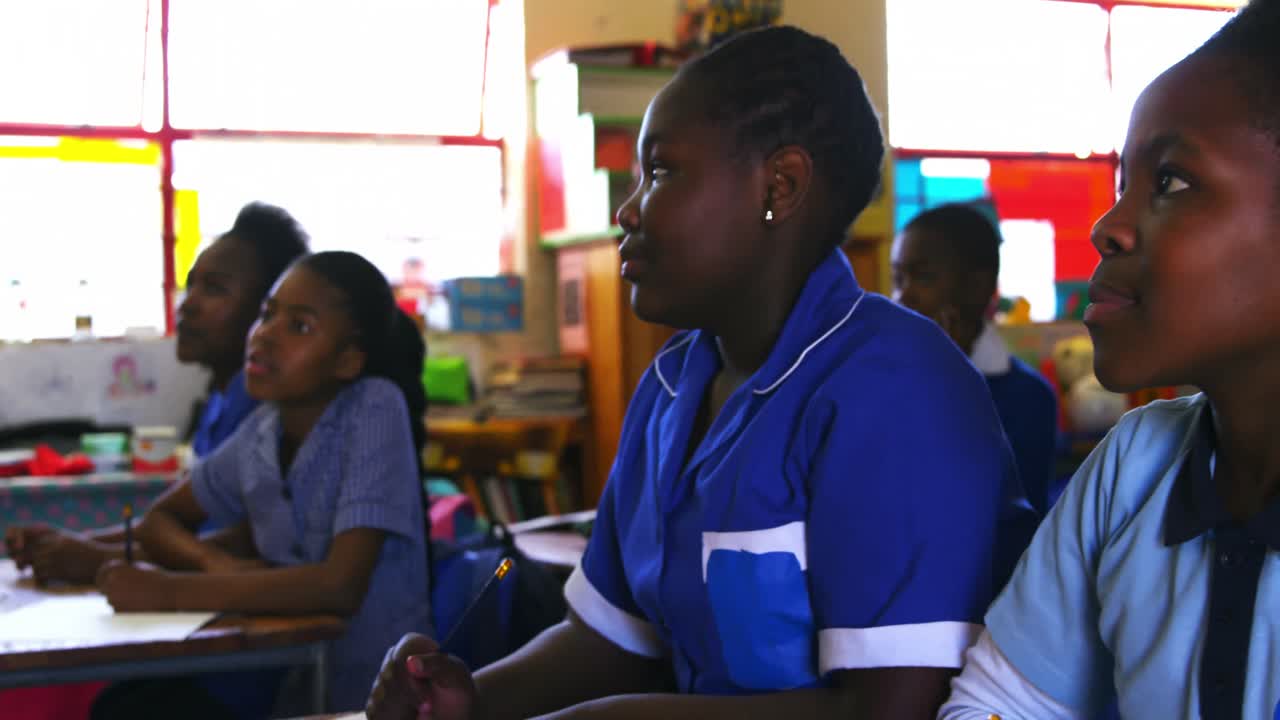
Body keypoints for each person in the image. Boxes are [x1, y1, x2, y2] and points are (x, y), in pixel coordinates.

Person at [367, 26, 1027, 720]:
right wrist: (464, 702)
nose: (626, 212)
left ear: (780, 186)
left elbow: (889, 712)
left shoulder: (897, 390)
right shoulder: (672, 386)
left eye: (661, 172)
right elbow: (612, 642)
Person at [940, 2, 1280, 718]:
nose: (1107, 226)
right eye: (1126, 182)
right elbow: (996, 703)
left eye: (1172, 183)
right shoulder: (1133, 467)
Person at [92, 251, 432, 716]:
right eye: (267, 314)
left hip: (372, 695)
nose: (266, 335)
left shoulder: (373, 409)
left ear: (348, 359)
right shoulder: (263, 431)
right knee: (121, 703)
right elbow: (160, 521)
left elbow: (339, 586)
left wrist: (169, 590)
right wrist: (210, 562)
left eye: (300, 326)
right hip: (290, 678)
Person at [2, 202, 310, 584]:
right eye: (190, 284)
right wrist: (72, 543)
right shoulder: (221, 399)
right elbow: (176, 529)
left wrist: (98, 557)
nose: (188, 305)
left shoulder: (273, 415)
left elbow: (249, 541)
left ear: (267, 311)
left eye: (214, 289)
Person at [892, 203, 1059, 516]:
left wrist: (948, 382)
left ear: (977, 287)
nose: (903, 296)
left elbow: (1004, 513)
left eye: (923, 278)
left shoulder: (1027, 399)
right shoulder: (882, 377)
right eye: (898, 279)